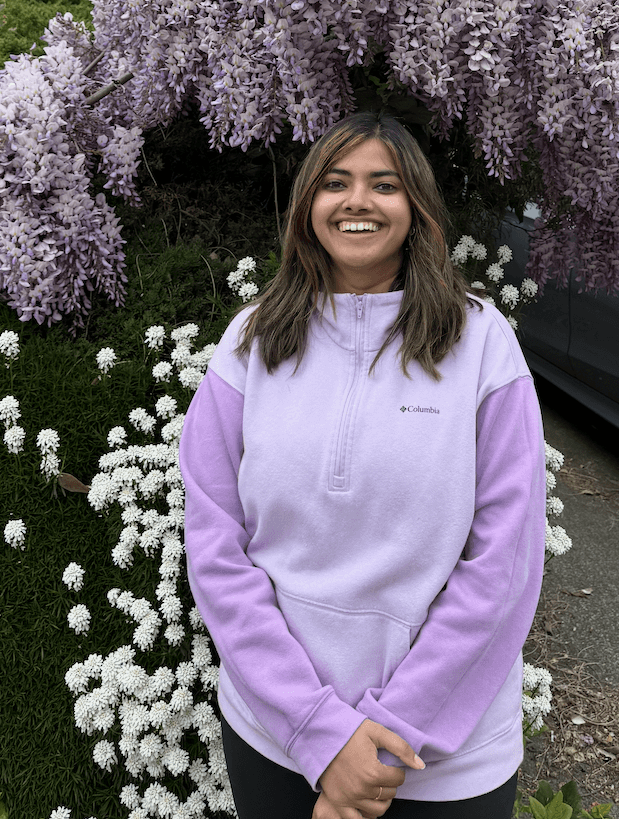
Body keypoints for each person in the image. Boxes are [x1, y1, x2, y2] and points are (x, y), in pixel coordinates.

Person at [180, 112, 545, 818]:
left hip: (441, 763)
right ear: (307, 204)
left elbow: (504, 566)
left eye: (384, 184)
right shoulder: (251, 339)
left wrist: (381, 746)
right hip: (276, 737)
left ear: (416, 208)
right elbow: (216, 545)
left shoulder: (481, 343)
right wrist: (316, 729)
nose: (357, 201)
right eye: (335, 182)